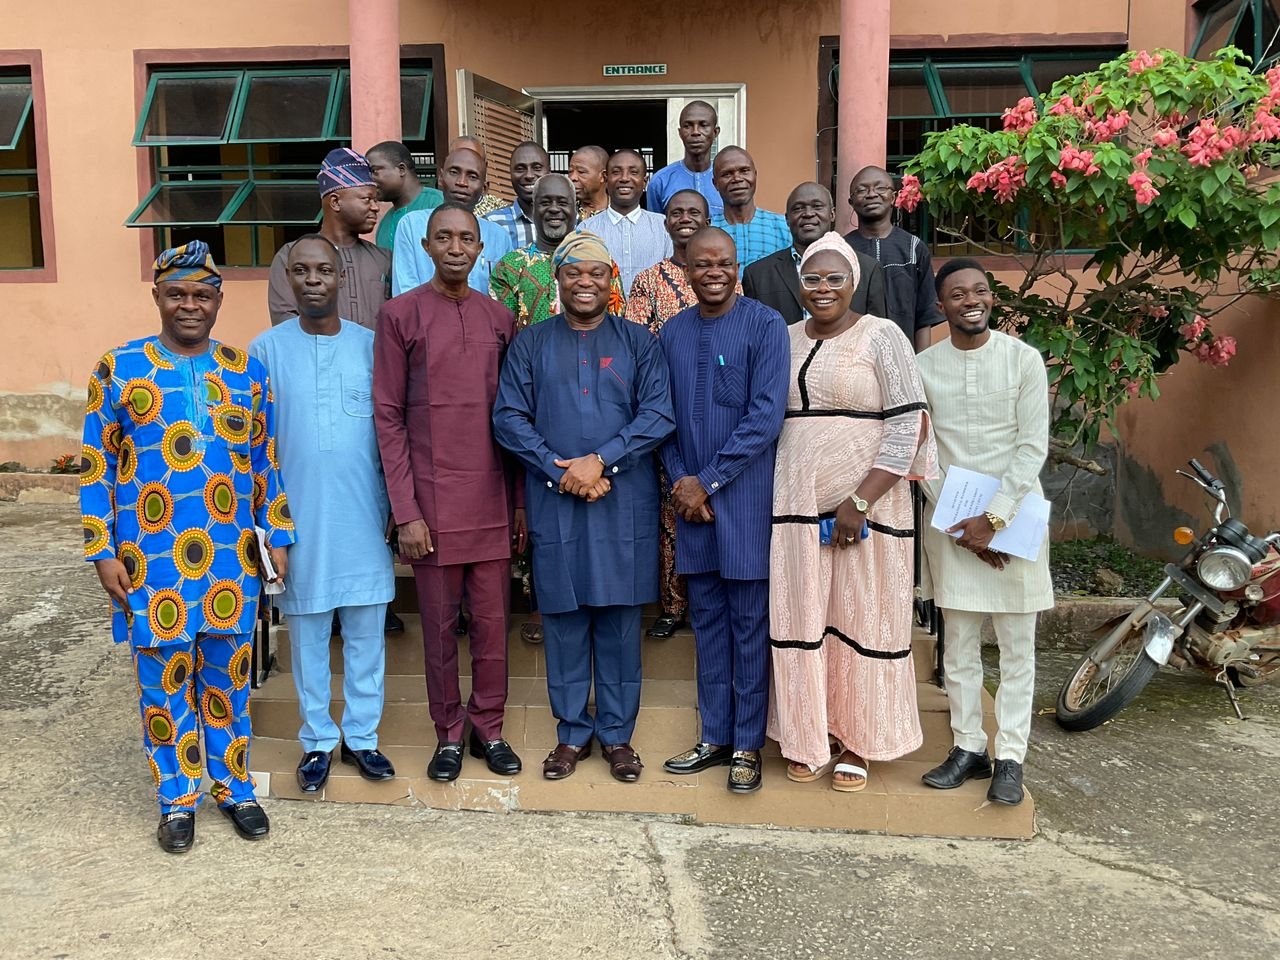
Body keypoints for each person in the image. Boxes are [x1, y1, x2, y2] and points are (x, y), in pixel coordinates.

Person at [80, 240, 294, 853]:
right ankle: (177, 800)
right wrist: (102, 549)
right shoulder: (119, 368)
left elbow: (264, 461)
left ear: (219, 301)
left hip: (231, 558)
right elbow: (95, 466)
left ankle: (234, 789)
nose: (190, 305)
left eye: (202, 295)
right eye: (177, 294)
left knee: (228, 680)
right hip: (149, 559)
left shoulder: (246, 372)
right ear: (157, 297)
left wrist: (278, 534)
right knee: (164, 680)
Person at [492, 232, 675, 783]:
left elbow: (658, 415)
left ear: (611, 278)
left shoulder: (639, 341)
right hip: (557, 504)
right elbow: (508, 417)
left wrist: (601, 461)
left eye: (596, 272)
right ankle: (571, 733)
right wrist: (561, 471)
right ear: (558, 279)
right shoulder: (531, 343)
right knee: (564, 621)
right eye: (574, 272)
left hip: (623, 503)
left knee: (619, 623)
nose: (585, 282)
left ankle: (617, 736)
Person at [767, 232, 939, 790]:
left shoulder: (882, 336)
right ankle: (808, 734)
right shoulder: (785, 337)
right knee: (804, 620)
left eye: (834, 278)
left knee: (862, 620)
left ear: (853, 283)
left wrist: (861, 499)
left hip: (869, 511)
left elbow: (909, 423)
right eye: (812, 279)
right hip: (795, 507)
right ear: (799, 285)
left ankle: (860, 741)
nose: (823, 288)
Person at [375, 203, 525, 783]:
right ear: (427, 246)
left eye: (466, 238)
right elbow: (389, 417)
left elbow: (515, 419)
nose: (456, 248)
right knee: (438, 629)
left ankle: (490, 727)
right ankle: (448, 733)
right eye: (445, 238)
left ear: (481, 249)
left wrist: (518, 504)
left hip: (491, 497)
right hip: (431, 504)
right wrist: (406, 511)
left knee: (491, 625)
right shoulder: (400, 316)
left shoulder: (499, 318)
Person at [249, 235, 397, 795]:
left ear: (341, 278)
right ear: (289, 279)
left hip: (364, 516)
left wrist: (397, 507)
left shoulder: (372, 347)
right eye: (302, 271)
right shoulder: (264, 352)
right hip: (297, 522)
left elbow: (392, 434)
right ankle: (317, 740)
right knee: (308, 637)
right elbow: (255, 446)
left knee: (366, 635)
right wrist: (269, 526)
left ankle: (362, 737)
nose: (313, 280)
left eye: (324, 270)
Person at [916, 258, 1053, 806]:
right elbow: (923, 452)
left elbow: (1032, 447)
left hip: (1017, 520)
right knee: (959, 646)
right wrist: (962, 526)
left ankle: (1011, 757)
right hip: (951, 522)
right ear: (941, 306)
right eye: (957, 294)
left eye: (979, 290)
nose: (970, 300)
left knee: (1018, 649)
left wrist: (994, 519)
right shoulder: (924, 367)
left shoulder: (1023, 360)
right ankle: (968, 747)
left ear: (991, 298)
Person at [657, 227, 789, 793]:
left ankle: (746, 745)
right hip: (694, 510)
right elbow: (661, 417)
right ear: (686, 269)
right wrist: (681, 482)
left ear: (738, 267)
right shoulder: (672, 332)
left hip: (746, 503)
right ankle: (713, 736)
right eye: (703, 263)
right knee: (707, 623)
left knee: (749, 625)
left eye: (724, 263)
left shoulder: (766, 325)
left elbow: (766, 416)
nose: (714, 272)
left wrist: (706, 481)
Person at [624, 189, 724, 639]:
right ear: (664, 222)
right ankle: (672, 604)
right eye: (676, 212)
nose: (685, 218)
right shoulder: (648, 280)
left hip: (719, 411)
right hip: (667, 408)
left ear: (707, 221)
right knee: (672, 508)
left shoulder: (726, 277)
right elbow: (637, 345)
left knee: (714, 502)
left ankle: (708, 599)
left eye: (694, 212)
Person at [268, 148, 390, 330]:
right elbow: (285, 325)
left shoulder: (384, 259)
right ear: (335, 202)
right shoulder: (291, 256)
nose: (375, 207)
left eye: (376, 200)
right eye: (367, 199)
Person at [490, 173, 625, 329]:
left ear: (575, 209)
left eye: (562, 203)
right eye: (545, 203)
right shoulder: (509, 267)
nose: (554, 209)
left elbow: (617, 326)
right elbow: (501, 330)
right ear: (533, 209)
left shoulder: (601, 262)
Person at [743, 182, 887, 325]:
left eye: (817, 206)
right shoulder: (757, 274)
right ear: (787, 219)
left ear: (832, 214)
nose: (808, 214)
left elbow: (877, 330)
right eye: (798, 208)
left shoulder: (867, 269)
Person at [843, 165, 944, 352]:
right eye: (862, 190)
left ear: (893, 197)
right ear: (851, 201)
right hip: (852, 357)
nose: (871, 194)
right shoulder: (841, 250)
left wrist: (920, 363)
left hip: (902, 355)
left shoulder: (914, 248)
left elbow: (924, 315)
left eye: (880, 188)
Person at [391, 148, 513, 296]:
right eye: (454, 172)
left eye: (472, 176)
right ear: (441, 178)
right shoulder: (411, 225)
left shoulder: (499, 236)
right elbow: (405, 294)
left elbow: (504, 297)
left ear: (484, 188)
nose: (461, 182)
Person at [582, 148, 672, 294]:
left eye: (633, 172)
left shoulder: (664, 227)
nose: (624, 178)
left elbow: (672, 280)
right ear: (606, 179)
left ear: (644, 182)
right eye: (616, 172)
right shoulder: (587, 229)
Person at [710, 147, 790, 267]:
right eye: (727, 174)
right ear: (715, 183)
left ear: (755, 175)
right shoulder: (707, 230)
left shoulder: (784, 227)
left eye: (744, 171)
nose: (737, 179)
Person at [647, 100, 724, 218]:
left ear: (715, 132)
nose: (695, 132)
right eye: (688, 126)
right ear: (680, 133)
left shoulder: (727, 179)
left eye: (703, 125)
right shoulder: (661, 181)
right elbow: (656, 227)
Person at [367, 140, 445, 251]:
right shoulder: (384, 224)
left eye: (374, 171)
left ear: (401, 169)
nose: (369, 179)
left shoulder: (438, 203)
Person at [485, 141, 548, 249]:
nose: (529, 175)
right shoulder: (492, 223)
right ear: (510, 174)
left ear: (549, 171)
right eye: (520, 169)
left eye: (537, 168)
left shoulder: (570, 221)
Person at [451, 136, 504, 217]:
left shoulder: (499, 216)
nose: (462, 182)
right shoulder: (433, 205)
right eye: (459, 158)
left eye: (473, 159)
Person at [567, 145, 610, 221]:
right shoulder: (566, 211)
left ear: (603, 176)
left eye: (581, 172)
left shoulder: (619, 212)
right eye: (570, 171)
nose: (572, 177)